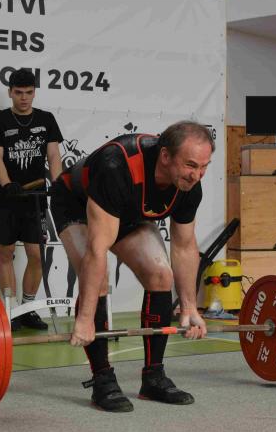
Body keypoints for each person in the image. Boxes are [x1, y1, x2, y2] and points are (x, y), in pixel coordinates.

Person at [50, 121, 212, 412]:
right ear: (165, 156)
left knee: (160, 274)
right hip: (77, 204)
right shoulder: (117, 165)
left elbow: (185, 246)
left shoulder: (189, 184)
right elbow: (97, 250)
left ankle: (153, 377)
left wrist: (189, 307)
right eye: (190, 165)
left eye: (204, 167)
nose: (197, 175)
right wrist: (85, 319)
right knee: (98, 280)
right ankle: (102, 379)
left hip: (127, 213)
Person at [0, 68, 63, 331]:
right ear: (10, 92)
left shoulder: (46, 119)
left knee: (37, 255)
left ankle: (27, 309)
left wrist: (59, 184)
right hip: (6, 198)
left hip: (34, 199)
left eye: (29, 92)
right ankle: (11, 311)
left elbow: (54, 156)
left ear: (34, 93)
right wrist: (7, 184)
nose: (24, 98)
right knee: (5, 252)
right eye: (18, 92)